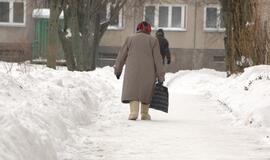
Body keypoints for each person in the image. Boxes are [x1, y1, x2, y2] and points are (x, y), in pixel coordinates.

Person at [114, 21, 165, 121]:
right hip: (149, 72)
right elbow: (158, 60)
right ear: (149, 30)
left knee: (133, 90)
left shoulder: (130, 39)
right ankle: (144, 113)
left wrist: (118, 70)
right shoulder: (153, 40)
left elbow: (121, 56)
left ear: (138, 29)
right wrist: (160, 76)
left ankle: (133, 112)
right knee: (146, 91)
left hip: (132, 71)